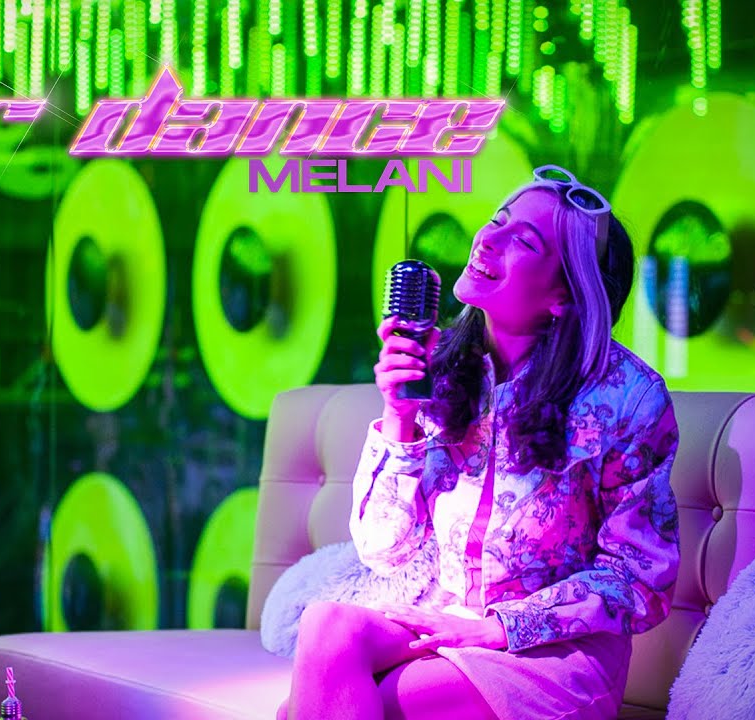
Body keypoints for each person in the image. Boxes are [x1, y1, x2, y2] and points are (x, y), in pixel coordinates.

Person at [279, 165, 681, 720]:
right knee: (326, 626)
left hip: (551, 655)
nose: (489, 239)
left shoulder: (630, 399)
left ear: (563, 296)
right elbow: (384, 551)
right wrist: (398, 416)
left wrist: (502, 627)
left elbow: (640, 576)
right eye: (498, 220)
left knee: (324, 706)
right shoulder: (442, 370)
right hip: (442, 621)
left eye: (524, 240)